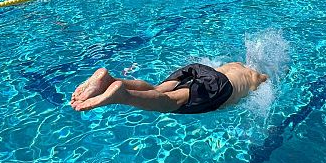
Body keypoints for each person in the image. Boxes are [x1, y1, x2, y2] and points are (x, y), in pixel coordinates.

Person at [70, 62, 268, 113]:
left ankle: (109, 80)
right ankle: (124, 95)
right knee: (173, 102)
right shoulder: (255, 78)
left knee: (158, 89)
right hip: (220, 87)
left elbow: (212, 71)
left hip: (197, 70)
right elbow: (263, 84)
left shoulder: (235, 65)